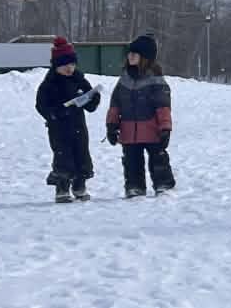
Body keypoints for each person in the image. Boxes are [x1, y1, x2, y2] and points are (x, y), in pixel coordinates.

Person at [106, 34, 175, 198]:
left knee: (158, 159)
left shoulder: (155, 79)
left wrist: (165, 128)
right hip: (129, 130)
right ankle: (134, 186)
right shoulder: (124, 78)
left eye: (135, 54)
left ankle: (163, 184)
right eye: (129, 53)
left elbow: (163, 106)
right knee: (131, 161)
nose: (130, 56)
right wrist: (111, 125)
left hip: (152, 129)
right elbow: (115, 104)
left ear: (145, 58)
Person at [35, 36, 100, 203]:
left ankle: (79, 186)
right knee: (63, 158)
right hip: (59, 128)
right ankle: (62, 188)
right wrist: (54, 114)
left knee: (81, 156)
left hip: (78, 126)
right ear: (56, 66)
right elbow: (41, 104)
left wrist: (93, 97)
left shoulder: (79, 79)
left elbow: (89, 103)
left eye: (72, 64)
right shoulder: (50, 83)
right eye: (64, 65)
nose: (69, 68)